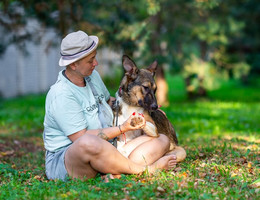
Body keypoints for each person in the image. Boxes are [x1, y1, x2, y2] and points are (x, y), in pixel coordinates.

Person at [43, 30, 177, 181]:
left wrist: (145, 112)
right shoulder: (61, 94)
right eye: (90, 60)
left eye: (95, 57)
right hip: (69, 159)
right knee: (88, 142)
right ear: (74, 64)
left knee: (162, 139)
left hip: (106, 146)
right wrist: (122, 128)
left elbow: (108, 101)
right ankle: (147, 169)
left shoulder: (91, 77)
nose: (96, 63)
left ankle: (116, 170)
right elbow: (81, 138)